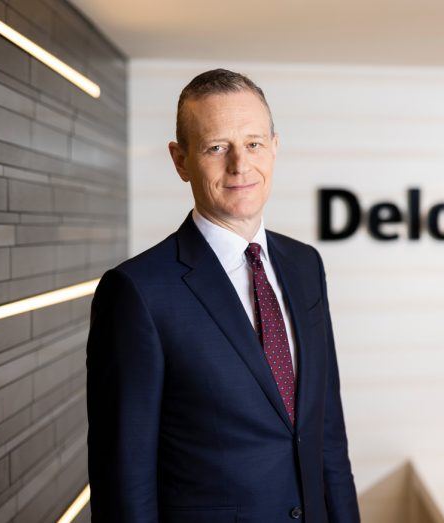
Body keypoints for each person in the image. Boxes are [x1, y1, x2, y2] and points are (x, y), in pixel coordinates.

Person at [86, 69, 361, 523]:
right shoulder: (137, 292)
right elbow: (124, 477)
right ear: (180, 160)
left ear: (275, 147)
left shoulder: (305, 266)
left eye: (253, 144)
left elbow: (327, 430)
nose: (240, 165)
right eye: (217, 147)